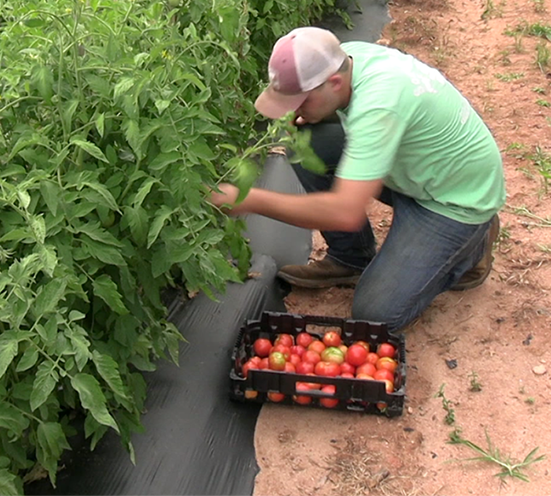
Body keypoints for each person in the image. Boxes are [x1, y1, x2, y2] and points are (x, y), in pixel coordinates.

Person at [209, 27, 505, 330]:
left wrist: (248, 199)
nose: (292, 110)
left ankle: (471, 247)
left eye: (300, 100)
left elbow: (344, 212)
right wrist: (313, 113)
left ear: (334, 83)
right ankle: (350, 259)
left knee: (375, 316)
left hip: (453, 199)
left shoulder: (379, 105)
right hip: (417, 168)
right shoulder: (345, 57)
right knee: (307, 141)